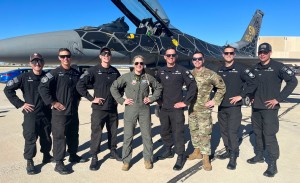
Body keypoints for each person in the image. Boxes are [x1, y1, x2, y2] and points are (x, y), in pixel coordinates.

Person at [247, 43, 298, 177]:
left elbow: (293, 81)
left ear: (270, 52)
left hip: (270, 108)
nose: (262, 54)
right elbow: (250, 83)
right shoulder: (254, 67)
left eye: (265, 52)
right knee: (257, 133)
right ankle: (258, 155)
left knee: (269, 136)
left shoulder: (278, 66)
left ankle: (272, 163)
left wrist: (279, 98)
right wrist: (251, 96)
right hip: (256, 107)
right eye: (260, 52)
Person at [38, 48, 87, 175]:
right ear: (59, 58)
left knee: (73, 134)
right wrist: (53, 102)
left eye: (68, 56)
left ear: (70, 57)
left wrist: (78, 99)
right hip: (59, 113)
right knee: (59, 137)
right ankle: (59, 162)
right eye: (63, 56)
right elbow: (42, 88)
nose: (66, 58)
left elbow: (79, 89)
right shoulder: (54, 73)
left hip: (73, 111)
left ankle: (73, 154)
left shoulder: (75, 73)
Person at [110, 55, 162, 171]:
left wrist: (152, 98)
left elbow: (158, 87)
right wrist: (122, 100)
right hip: (130, 109)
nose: (139, 65)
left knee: (147, 136)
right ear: (133, 64)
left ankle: (148, 159)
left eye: (141, 63)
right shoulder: (127, 77)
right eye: (137, 63)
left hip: (144, 109)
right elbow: (113, 87)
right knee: (128, 136)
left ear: (143, 65)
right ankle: (126, 161)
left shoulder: (148, 77)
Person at [4, 53, 53, 175]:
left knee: (46, 136)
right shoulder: (24, 77)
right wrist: (21, 104)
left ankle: (46, 155)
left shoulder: (48, 76)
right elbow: (8, 89)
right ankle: (29, 161)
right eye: (34, 61)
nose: (37, 64)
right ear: (30, 63)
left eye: (39, 61)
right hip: (31, 114)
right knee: (30, 137)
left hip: (46, 113)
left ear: (43, 63)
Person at [76, 47, 122, 171]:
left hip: (112, 108)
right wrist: (91, 98)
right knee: (96, 133)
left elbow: (121, 86)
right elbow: (80, 85)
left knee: (113, 131)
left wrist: (119, 98)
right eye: (104, 54)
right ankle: (94, 156)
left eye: (108, 54)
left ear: (110, 56)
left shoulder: (115, 72)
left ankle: (113, 151)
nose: (106, 55)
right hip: (99, 109)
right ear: (100, 56)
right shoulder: (93, 70)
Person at [155, 47, 197, 171]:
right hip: (164, 108)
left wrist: (185, 102)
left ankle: (180, 156)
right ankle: (168, 150)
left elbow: (192, 85)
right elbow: (156, 86)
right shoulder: (161, 71)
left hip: (176, 108)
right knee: (164, 131)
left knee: (178, 133)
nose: (171, 57)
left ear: (176, 56)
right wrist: (158, 99)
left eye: (173, 55)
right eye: (168, 55)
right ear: (165, 57)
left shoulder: (182, 70)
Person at [216, 45, 257, 170]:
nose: (228, 55)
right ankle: (228, 151)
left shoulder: (241, 69)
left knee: (232, 132)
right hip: (221, 107)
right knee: (223, 131)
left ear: (234, 54)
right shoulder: (220, 70)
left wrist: (242, 95)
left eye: (231, 53)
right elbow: (215, 87)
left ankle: (233, 156)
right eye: (226, 53)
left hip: (234, 107)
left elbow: (253, 82)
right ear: (223, 55)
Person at [187, 51, 226, 171]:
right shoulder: (190, 74)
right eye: (195, 59)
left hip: (204, 110)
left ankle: (206, 157)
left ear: (203, 60)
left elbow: (222, 87)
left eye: (199, 59)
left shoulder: (210, 74)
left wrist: (214, 101)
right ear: (192, 61)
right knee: (194, 131)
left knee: (205, 134)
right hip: (192, 109)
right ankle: (197, 151)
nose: (197, 61)